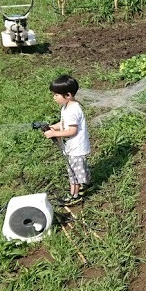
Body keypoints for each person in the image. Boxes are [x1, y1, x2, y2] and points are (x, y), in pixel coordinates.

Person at [45, 74, 91, 204]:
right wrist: (52, 127)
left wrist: (55, 134)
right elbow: (65, 124)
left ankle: (75, 196)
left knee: (73, 173)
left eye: (56, 95)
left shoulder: (72, 111)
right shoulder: (67, 107)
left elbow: (72, 130)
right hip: (73, 147)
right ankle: (86, 184)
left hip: (75, 148)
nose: (54, 98)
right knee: (80, 168)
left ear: (68, 95)